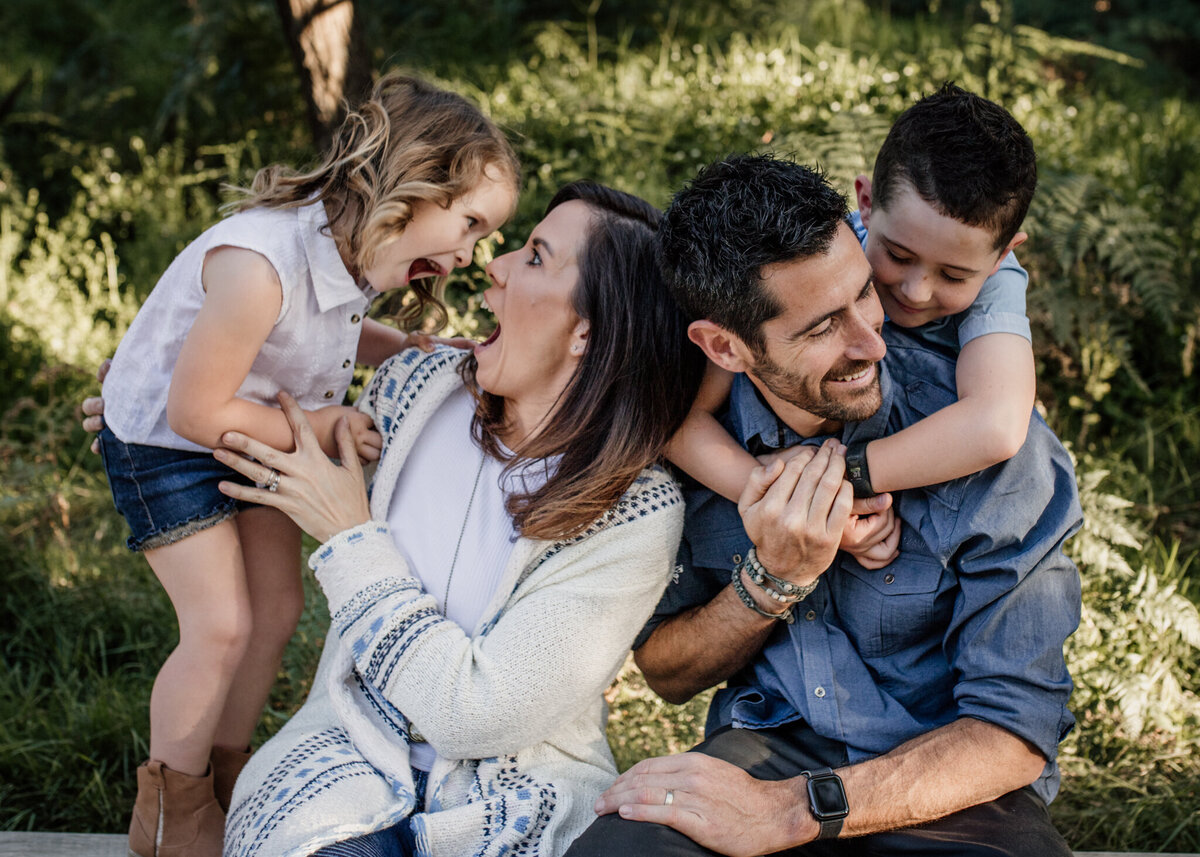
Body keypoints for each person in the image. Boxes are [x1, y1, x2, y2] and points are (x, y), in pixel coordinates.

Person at [564, 154, 1083, 857]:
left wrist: (791, 811)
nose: (874, 340)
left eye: (864, 292)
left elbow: (1016, 731)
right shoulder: (690, 443)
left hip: (948, 777)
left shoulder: (986, 443)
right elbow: (666, 668)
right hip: (766, 743)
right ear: (725, 346)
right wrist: (775, 576)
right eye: (821, 326)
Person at [206, 181, 705, 857]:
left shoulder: (636, 510)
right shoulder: (416, 387)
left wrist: (354, 539)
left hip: (516, 801)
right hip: (343, 758)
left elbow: (474, 716)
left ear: (585, 331)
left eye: (534, 257)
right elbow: (272, 438)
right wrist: (150, 418)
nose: (493, 265)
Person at [93, 74, 520, 857]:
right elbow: (193, 411)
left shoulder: (346, 257)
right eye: (469, 223)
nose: (468, 253)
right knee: (220, 624)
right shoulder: (261, 263)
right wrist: (322, 424)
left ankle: (226, 772)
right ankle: (171, 804)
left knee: (277, 610)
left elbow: (327, 335)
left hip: (249, 427)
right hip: (166, 443)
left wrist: (417, 349)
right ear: (413, 181)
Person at [665, 84, 1036, 546]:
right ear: (864, 202)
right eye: (898, 256)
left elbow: (996, 426)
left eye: (956, 276)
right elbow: (679, 417)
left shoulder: (997, 279)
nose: (916, 291)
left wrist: (845, 481)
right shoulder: (826, 246)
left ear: (1002, 257)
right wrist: (789, 497)